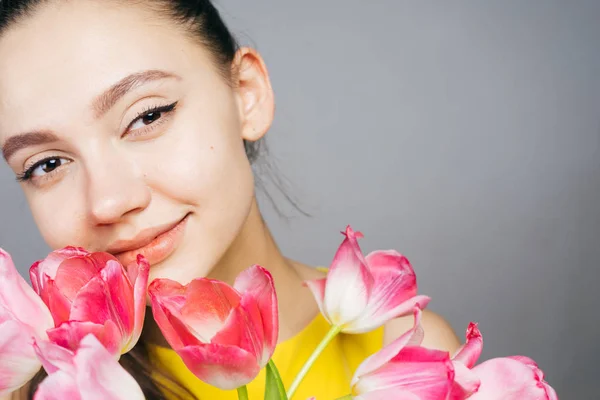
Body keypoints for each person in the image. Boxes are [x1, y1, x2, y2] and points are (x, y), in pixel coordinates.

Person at [0, 1, 460, 399]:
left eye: (147, 116)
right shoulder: (31, 385)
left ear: (247, 95)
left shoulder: (408, 359)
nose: (108, 202)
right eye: (47, 164)